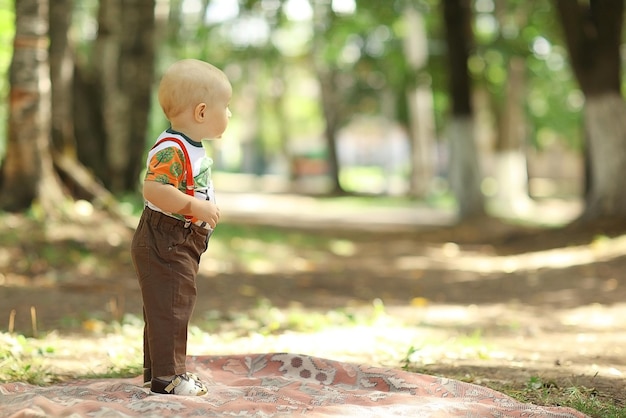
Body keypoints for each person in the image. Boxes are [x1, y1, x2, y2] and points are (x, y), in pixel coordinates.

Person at [131, 59, 232, 396]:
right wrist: (193, 206)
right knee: (172, 307)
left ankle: (155, 373)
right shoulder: (172, 149)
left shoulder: (189, 146)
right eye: (226, 107)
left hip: (179, 239)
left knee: (166, 306)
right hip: (166, 238)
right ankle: (169, 378)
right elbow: (154, 189)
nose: (229, 115)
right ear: (202, 112)